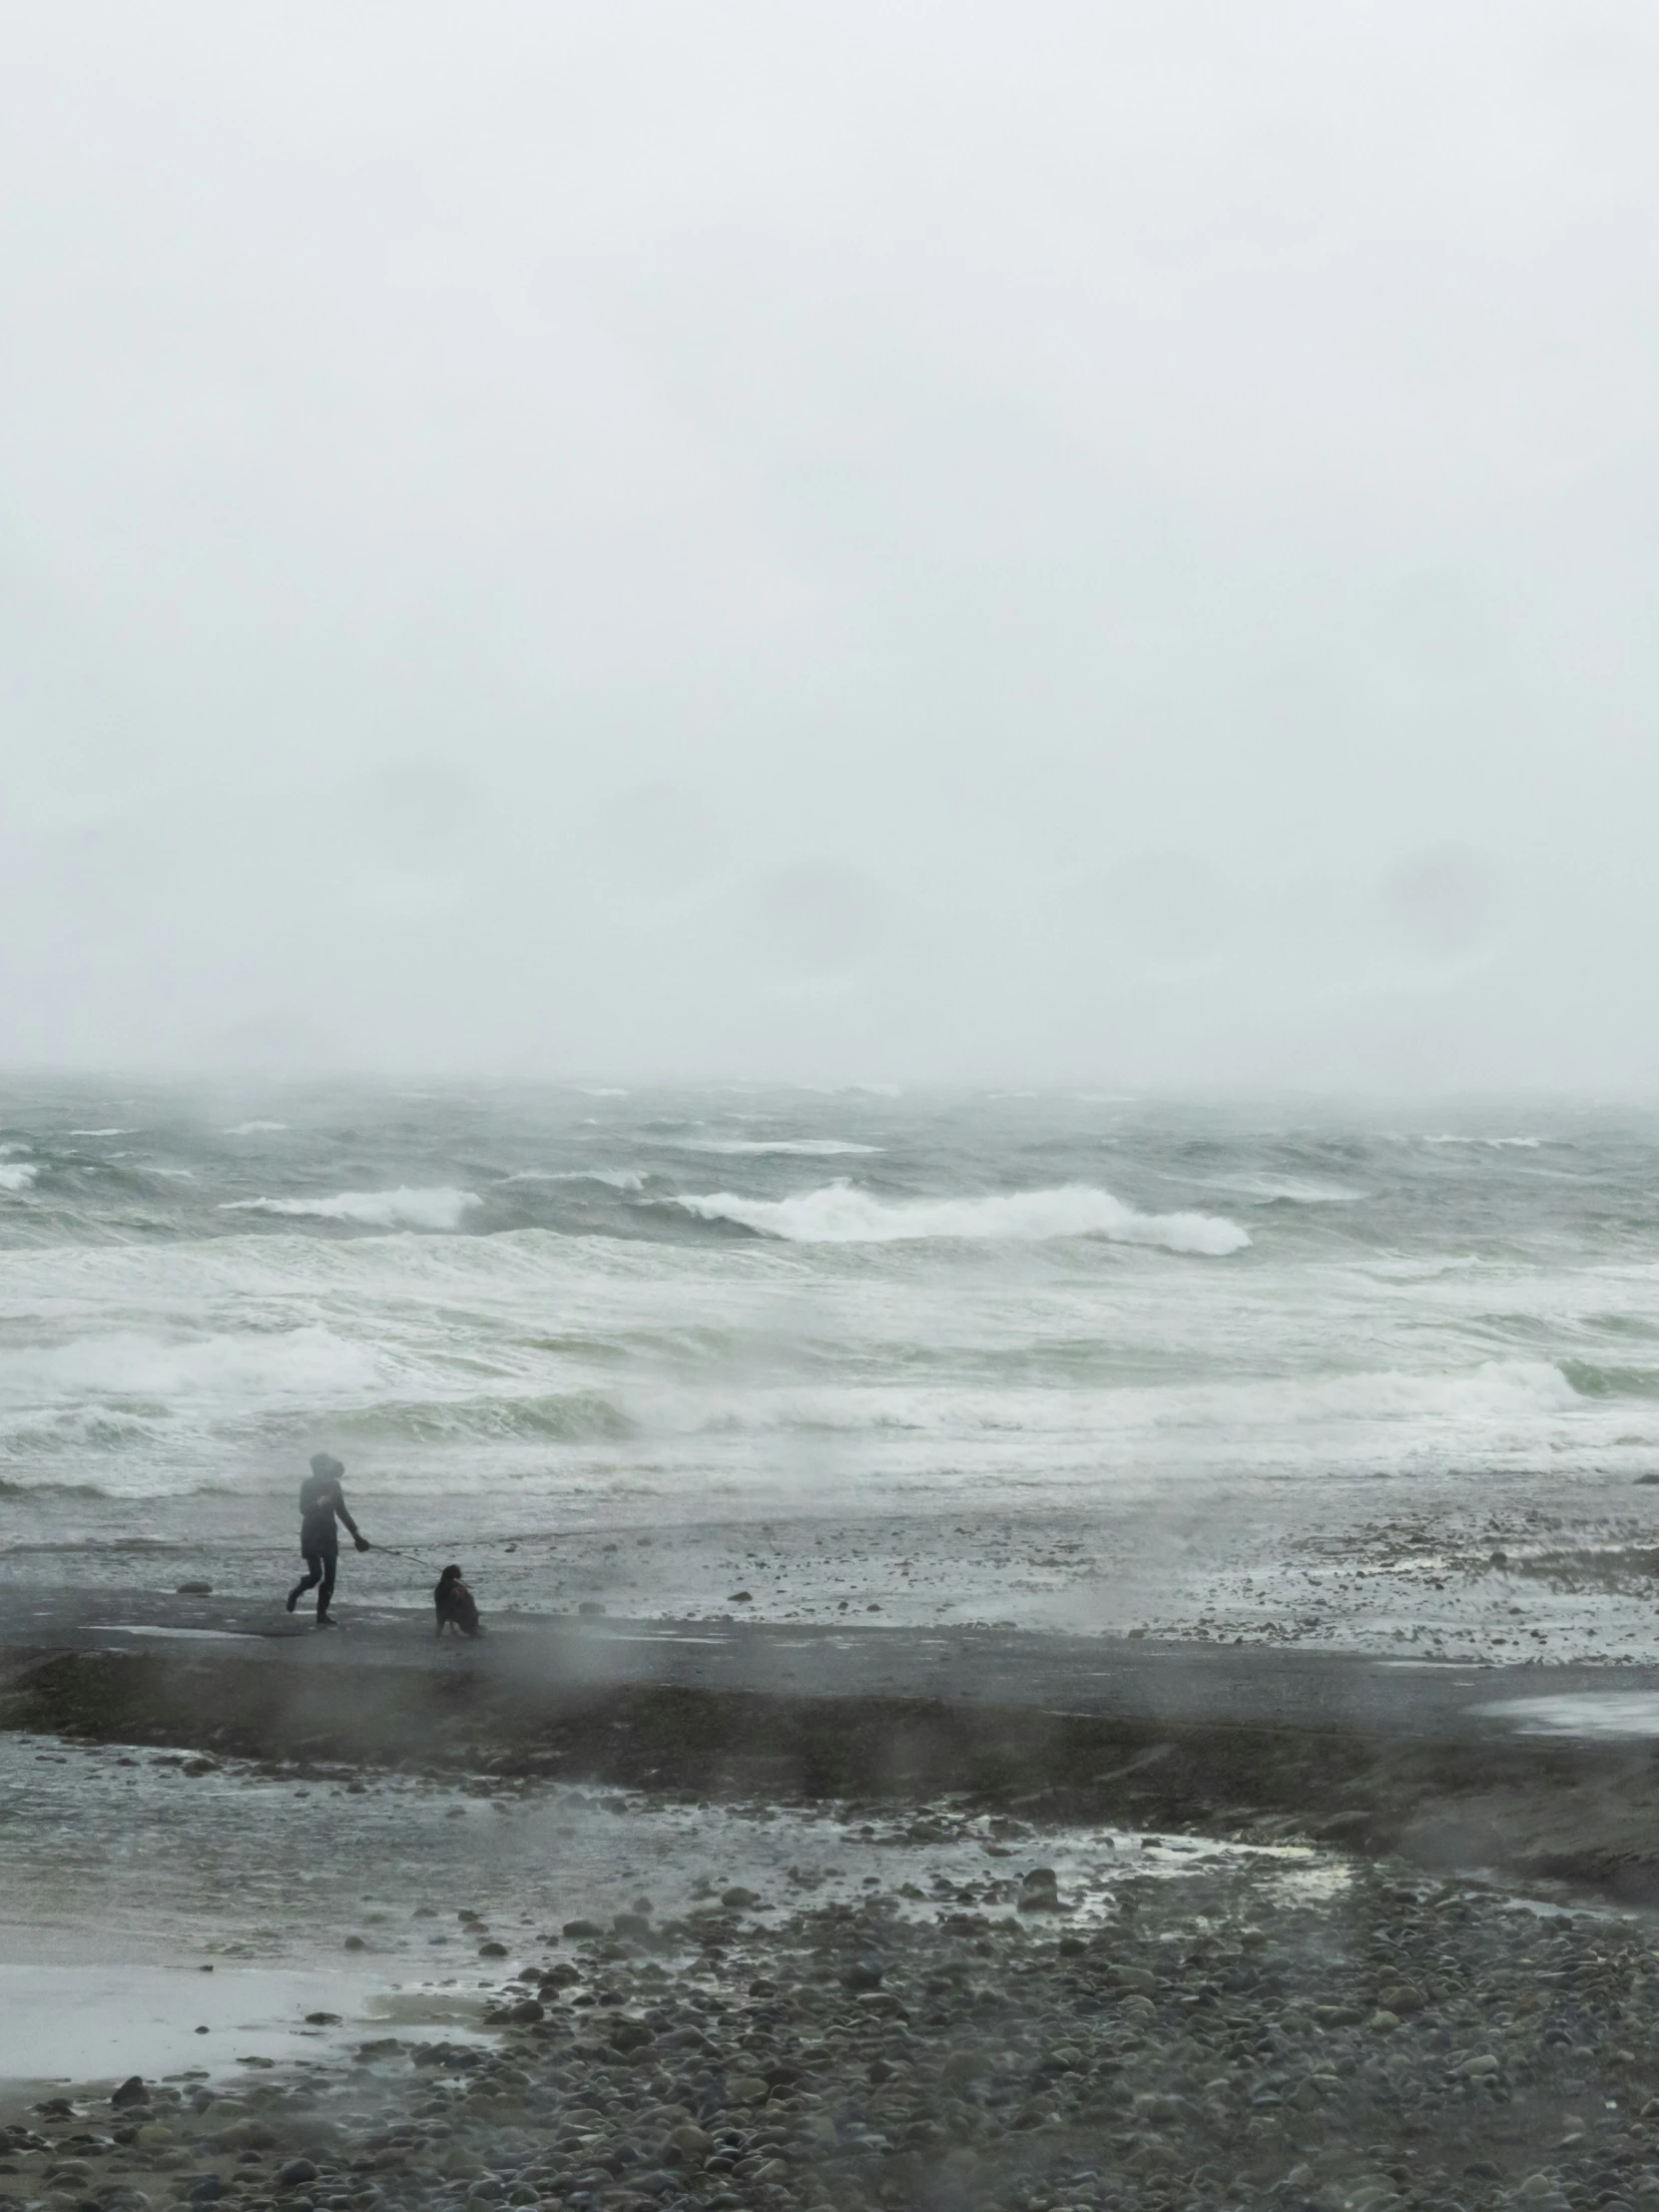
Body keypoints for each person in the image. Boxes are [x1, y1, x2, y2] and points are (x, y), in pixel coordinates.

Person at [285, 1452, 369, 1627]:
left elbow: (342, 1512)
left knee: (330, 1578)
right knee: (316, 1575)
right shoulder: (307, 1484)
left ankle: (321, 1614)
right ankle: (296, 1592)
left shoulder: (334, 1486)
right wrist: (319, 1503)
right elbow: (303, 1510)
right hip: (310, 1534)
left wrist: (356, 1535)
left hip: (329, 1534)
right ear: (318, 1468)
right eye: (326, 1464)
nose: (329, 1467)